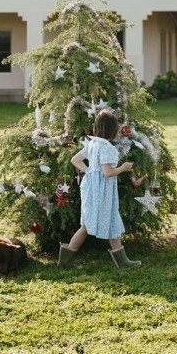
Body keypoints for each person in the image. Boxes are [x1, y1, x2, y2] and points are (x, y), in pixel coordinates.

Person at [58, 108, 141, 269]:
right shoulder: (107, 148)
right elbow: (108, 172)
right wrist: (123, 168)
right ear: (113, 129)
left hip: (91, 188)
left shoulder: (93, 143)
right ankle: (65, 261)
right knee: (90, 224)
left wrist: (90, 171)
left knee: (106, 219)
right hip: (102, 192)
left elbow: (75, 160)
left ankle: (121, 260)